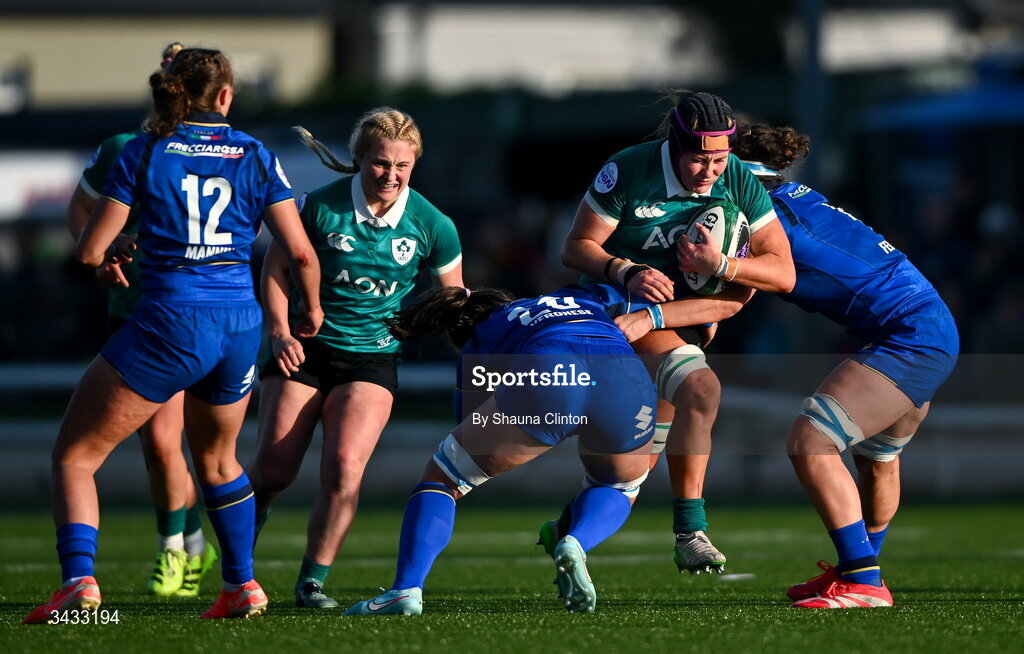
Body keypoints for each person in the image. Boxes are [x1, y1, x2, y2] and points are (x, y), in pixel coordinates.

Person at [24, 47, 322, 624]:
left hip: (169, 320)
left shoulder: (144, 149)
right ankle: (242, 585)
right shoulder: (256, 153)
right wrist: (309, 310)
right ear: (226, 97)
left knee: (76, 456)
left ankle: (79, 585)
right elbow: (301, 252)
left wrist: (118, 248)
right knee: (217, 460)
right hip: (238, 323)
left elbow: (88, 249)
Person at [613, 123, 957, 608]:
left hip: (907, 335)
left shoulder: (743, 209)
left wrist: (651, 315)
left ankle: (864, 581)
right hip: (924, 322)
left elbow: (732, 296)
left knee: (811, 440)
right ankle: (854, 570)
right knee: (878, 460)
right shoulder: (787, 193)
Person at [556, 90, 795, 573]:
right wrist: (626, 270)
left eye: (720, 160)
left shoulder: (740, 181)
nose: (710, 171)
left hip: (675, 318)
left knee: (638, 466)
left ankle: (566, 531)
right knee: (702, 390)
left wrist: (721, 264)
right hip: (619, 308)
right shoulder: (627, 170)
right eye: (698, 160)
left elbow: (783, 273)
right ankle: (691, 530)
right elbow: (576, 246)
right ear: (673, 146)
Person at [246, 108, 463, 609]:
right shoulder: (318, 207)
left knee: (344, 468)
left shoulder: (434, 225)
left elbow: (452, 298)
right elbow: (276, 266)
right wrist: (278, 332)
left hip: (373, 359)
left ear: (415, 166)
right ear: (359, 159)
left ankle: (311, 583)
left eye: (402, 166)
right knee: (275, 470)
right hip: (306, 348)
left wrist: (449, 327)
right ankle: (239, 568)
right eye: (380, 163)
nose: (390, 175)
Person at [343, 283, 658, 615]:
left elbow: (467, 419)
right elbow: (632, 293)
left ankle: (404, 591)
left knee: (443, 479)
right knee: (620, 485)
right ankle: (575, 541)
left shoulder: (483, 336)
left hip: (552, 367)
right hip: (622, 371)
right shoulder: (576, 295)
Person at [64, 41, 218, 600]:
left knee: (193, 446)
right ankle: (184, 546)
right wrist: (104, 254)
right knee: (160, 441)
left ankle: (189, 550)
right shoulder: (125, 149)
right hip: (142, 313)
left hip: (205, 313)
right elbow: (80, 213)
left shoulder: (224, 150)